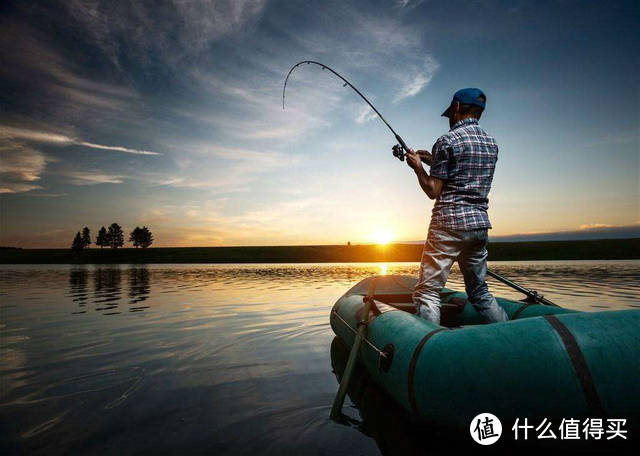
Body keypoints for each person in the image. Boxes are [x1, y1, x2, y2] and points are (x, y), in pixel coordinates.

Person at [405, 88, 508, 324]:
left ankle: (429, 348)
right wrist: (434, 160)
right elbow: (465, 172)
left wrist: (418, 167)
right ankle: (508, 335)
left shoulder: (447, 140)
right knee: (479, 292)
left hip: (448, 225)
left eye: (451, 111)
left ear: (458, 108)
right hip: (479, 226)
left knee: (428, 291)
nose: (450, 116)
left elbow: (433, 190)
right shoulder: (492, 144)